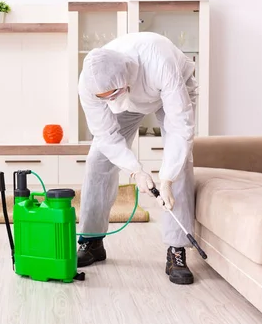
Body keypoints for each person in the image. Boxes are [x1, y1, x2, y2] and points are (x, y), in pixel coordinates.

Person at [77, 31, 198, 285]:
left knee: (181, 163)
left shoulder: (159, 62)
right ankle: (92, 240)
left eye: (111, 93)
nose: (106, 99)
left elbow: (180, 127)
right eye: (103, 97)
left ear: (124, 80)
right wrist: (135, 170)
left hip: (171, 89)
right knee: (98, 159)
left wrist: (166, 179)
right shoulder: (90, 84)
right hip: (129, 100)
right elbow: (106, 135)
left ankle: (177, 249)